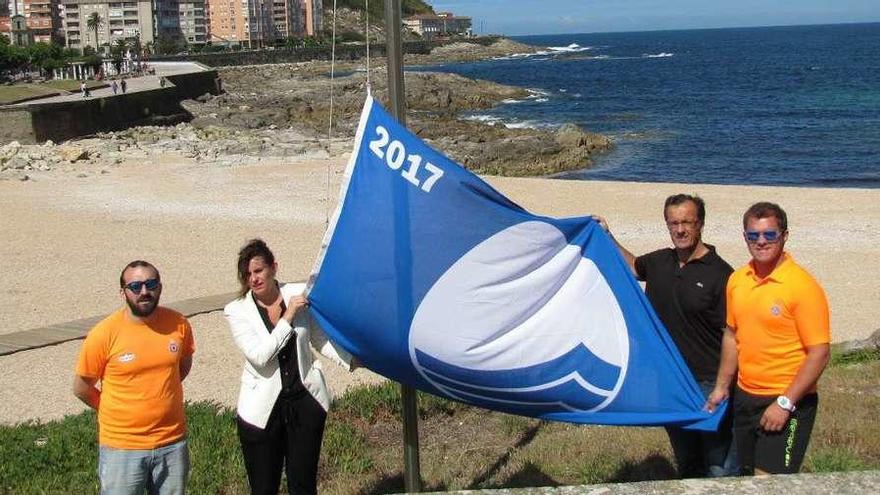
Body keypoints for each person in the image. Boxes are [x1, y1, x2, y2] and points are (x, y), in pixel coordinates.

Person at [594, 194, 737, 478]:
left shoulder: (721, 274)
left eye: (687, 222)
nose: (680, 230)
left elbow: (732, 336)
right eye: (673, 223)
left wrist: (723, 386)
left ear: (701, 224)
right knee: (687, 461)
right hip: (670, 382)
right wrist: (607, 235)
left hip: (708, 382)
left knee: (719, 467)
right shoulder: (661, 262)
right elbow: (634, 267)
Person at [706, 202, 830, 475]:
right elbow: (731, 335)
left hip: (788, 401)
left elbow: (819, 353)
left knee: (770, 483)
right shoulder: (738, 280)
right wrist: (721, 386)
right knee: (749, 476)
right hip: (746, 397)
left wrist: (785, 403)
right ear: (745, 237)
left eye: (769, 234)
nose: (761, 241)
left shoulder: (802, 287)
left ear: (784, 236)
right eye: (754, 235)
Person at [224, 239, 354, 495]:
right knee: (264, 487)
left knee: (303, 484)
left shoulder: (296, 294)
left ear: (274, 267)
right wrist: (287, 317)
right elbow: (261, 356)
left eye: (258, 271)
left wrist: (350, 360)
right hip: (262, 412)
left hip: (304, 402)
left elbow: (318, 338)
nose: (254, 279)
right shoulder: (236, 311)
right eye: (248, 274)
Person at [73, 260, 195, 494]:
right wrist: (108, 406)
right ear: (122, 292)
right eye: (135, 286)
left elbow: (182, 367)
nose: (144, 292)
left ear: (160, 287)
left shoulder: (179, 324)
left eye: (151, 284)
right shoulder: (104, 333)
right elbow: (81, 386)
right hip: (123, 447)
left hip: (172, 442)